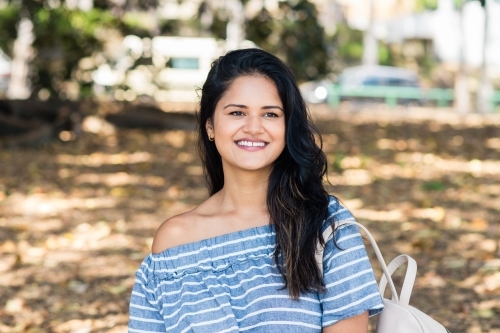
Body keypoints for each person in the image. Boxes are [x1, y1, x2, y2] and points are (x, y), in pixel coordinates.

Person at [128, 48, 383, 332]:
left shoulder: (326, 223)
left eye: (270, 114)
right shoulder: (173, 244)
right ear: (210, 125)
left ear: (288, 127)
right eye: (237, 112)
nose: (253, 127)